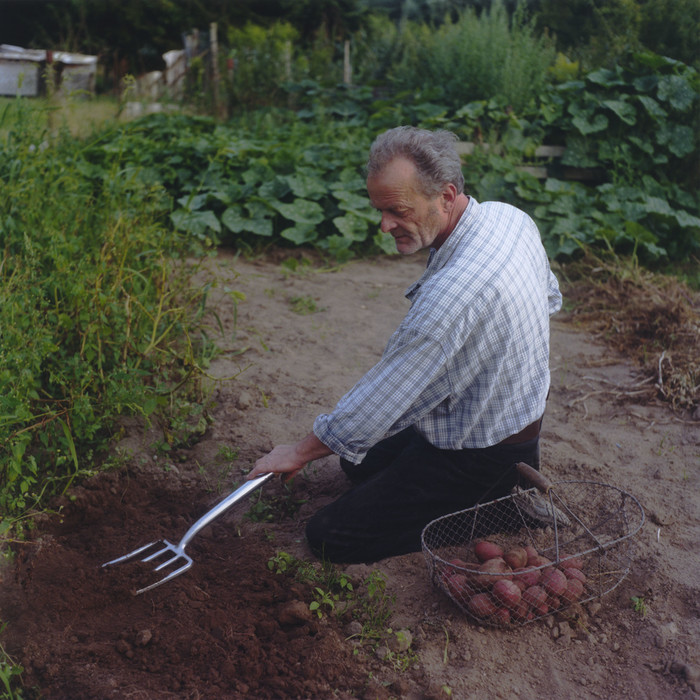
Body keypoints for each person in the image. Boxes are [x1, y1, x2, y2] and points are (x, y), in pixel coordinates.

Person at [248, 126, 562, 564]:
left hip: (481, 452)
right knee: (356, 464)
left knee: (329, 536)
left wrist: (299, 451)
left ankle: (498, 506)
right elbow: (549, 297)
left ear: (446, 196)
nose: (384, 225)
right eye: (380, 210)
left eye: (397, 210)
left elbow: (385, 396)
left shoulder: (452, 296)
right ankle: (491, 480)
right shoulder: (509, 218)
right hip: (505, 415)